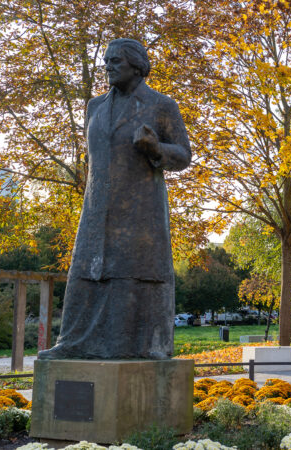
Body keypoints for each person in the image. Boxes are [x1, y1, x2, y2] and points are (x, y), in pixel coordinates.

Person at [39, 38, 191, 360]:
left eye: (115, 61)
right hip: (96, 208)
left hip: (139, 211)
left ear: (136, 66)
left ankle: (136, 347)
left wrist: (156, 149)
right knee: (84, 271)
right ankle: (73, 344)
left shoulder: (161, 105)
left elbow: (184, 155)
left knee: (131, 273)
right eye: (106, 61)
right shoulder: (94, 106)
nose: (107, 66)